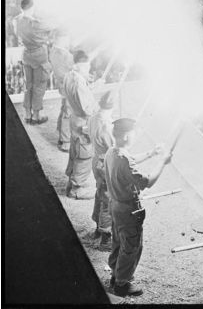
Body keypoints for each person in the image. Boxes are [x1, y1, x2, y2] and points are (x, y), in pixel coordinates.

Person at [105, 118, 172, 297]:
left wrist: (151, 154)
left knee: (119, 242)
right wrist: (162, 163)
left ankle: (115, 274)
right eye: (133, 133)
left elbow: (130, 159)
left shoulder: (112, 152)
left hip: (116, 206)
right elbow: (147, 182)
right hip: (128, 210)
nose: (135, 136)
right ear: (127, 136)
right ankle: (121, 284)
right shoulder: (123, 160)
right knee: (132, 246)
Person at [63, 50, 98, 199]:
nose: (88, 69)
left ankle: (71, 181)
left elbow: (79, 97)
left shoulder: (69, 75)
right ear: (81, 65)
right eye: (87, 67)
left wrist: (91, 85)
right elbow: (87, 108)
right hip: (83, 121)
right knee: (85, 155)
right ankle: (77, 189)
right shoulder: (79, 84)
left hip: (75, 119)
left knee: (75, 151)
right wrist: (99, 109)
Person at [14, 0, 51, 124]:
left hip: (26, 55)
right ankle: (36, 116)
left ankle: (27, 114)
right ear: (32, 7)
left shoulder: (16, 20)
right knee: (39, 86)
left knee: (27, 85)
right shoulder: (36, 23)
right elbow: (48, 31)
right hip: (39, 55)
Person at [89, 90, 115, 249]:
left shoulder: (93, 118)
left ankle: (97, 229)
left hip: (96, 161)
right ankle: (106, 237)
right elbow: (114, 148)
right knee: (108, 199)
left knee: (99, 194)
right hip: (105, 164)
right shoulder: (107, 126)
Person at [49, 31, 74, 151]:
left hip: (64, 83)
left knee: (65, 108)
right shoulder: (60, 53)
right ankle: (65, 141)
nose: (68, 41)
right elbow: (61, 73)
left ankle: (61, 134)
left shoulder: (56, 50)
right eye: (67, 39)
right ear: (60, 39)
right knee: (68, 112)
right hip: (67, 84)